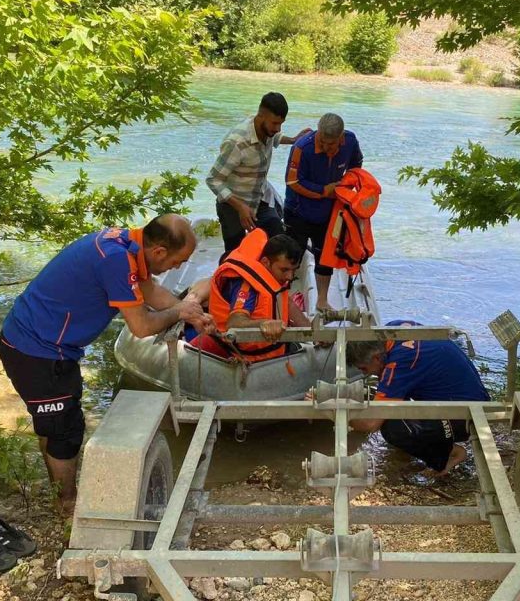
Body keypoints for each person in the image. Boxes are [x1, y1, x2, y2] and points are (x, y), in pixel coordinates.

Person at [0, 215, 213, 516]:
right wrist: (178, 312)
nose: (177, 268)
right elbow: (141, 325)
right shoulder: (116, 260)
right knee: (65, 432)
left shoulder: (128, 244)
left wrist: (189, 310)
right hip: (37, 350)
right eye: (178, 262)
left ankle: (59, 492)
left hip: (49, 345)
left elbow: (150, 292)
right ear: (159, 251)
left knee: (57, 423)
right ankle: (67, 504)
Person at [346, 320, 489, 476]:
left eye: (364, 369)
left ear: (376, 358)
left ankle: (451, 453)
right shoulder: (394, 329)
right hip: (472, 398)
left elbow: (370, 424)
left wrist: (338, 414)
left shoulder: (399, 363)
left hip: (467, 416)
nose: (367, 374)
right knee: (386, 399)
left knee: (391, 427)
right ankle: (414, 449)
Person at [207, 92, 310, 256]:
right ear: (261, 116)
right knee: (235, 253)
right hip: (233, 205)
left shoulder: (266, 130)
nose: (278, 129)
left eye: (281, 124)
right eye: (275, 123)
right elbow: (213, 180)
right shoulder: (237, 142)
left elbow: (274, 136)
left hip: (259, 199)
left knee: (277, 238)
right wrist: (240, 207)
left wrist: (292, 140)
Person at [186, 230, 312, 361]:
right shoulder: (246, 286)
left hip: (275, 349)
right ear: (265, 262)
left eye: (294, 270)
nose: (289, 277)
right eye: (284, 270)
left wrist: (314, 334)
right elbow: (234, 323)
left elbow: (288, 304)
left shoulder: (275, 278)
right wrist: (264, 323)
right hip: (243, 355)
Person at [284, 113, 364, 310]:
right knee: (293, 255)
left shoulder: (351, 141)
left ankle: (322, 300)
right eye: (323, 142)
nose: (327, 148)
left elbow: (356, 166)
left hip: (330, 212)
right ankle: (283, 297)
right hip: (298, 210)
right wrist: (325, 190)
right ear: (318, 133)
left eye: (332, 144)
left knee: (325, 255)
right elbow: (293, 181)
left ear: (341, 138)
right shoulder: (302, 147)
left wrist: (345, 186)